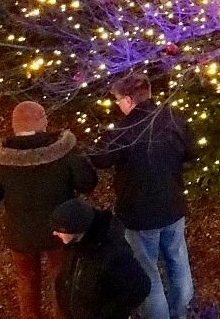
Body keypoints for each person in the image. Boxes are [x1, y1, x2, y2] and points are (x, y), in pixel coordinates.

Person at [87, 74, 192, 319]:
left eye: (118, 100)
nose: (117, 105)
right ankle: (185, 313)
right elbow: (190, 151)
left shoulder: (124, 131)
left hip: (139, 214)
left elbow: (99, 158)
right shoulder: (174, 119)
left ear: (129, 100)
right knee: (178, 263)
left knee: (148, 273)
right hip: (173, 206)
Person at [0, 101, 96, 319]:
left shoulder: (0, 157)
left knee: (26, 281)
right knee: (60, 280)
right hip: (61, 231)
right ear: (42, 120)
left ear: (14, 124)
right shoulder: (62, 149)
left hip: (20, 233)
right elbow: (87, 183)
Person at [48, 198, 150, 319]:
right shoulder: (73, 246)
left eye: (60, 229)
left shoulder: (113, 252)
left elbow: (141, 287)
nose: (54, 233)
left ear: (77, 228)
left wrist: (109, 314)